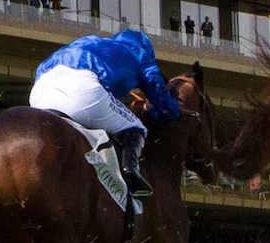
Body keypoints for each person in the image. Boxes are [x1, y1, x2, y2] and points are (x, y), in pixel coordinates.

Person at [28, 27, 182, 202]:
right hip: (82, 91)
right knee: (137, 127)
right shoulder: (141, 55)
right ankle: (131, 174)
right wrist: (172, 111)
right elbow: (158, 93)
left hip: (40, 92)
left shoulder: (91, 40)